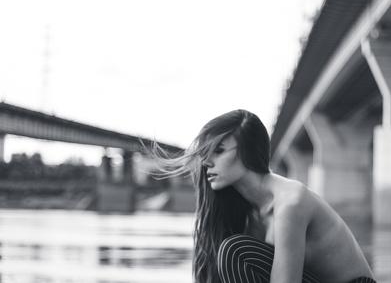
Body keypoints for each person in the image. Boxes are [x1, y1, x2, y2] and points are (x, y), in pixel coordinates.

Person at [154, 109, 376, 283]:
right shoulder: (249, 210)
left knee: (235, 252)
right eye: (205, 153)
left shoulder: (290, 203)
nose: (206, 162)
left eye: (219, 151)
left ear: (247, 151)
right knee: (223, 253)